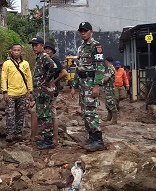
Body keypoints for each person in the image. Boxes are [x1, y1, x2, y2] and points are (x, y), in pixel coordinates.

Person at [70, 21, 106, 152]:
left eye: (85, 30)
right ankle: (91, 136)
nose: (83, 33)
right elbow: (78, 67)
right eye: (81, 31)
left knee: (91, 111)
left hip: (91, 83)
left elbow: (100, 66)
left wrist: (97, 85)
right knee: (85, 111)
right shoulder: (81, 48)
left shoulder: (95, 46)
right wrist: (74, 85)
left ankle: (98, 139)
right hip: (83, 83)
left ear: (91, 31)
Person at [29, 36, 57, 150]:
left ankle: (48, 140)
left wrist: (47, 79)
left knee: (45, 115)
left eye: (36, 45)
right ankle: (46, 138)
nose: (34, 47)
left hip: (44, 91)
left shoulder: (44, 56)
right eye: (33, 45)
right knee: (42, 115)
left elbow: (53, 67)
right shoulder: (39, 57)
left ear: (42, 46)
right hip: (39, 91)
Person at [0, 43, 33, 143]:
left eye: (18, 50)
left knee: (21, 114)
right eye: (15, 50)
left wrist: (30, 91)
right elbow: (3, 78)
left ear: (21, 51)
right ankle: (10, 133)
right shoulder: (7, 63)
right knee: (10, 114)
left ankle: (18, 133)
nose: (17, 52)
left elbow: (29, 77)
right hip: (10, 93)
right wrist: (5, 91)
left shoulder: (25, 64)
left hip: (22, 93)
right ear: (11, 51)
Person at [43, 41, 68, 144]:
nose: (47, 50)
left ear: (53, 51)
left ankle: (55, 138)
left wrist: (54, 81)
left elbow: (64, 73)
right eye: (46, 49)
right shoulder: (48, 60)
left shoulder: (55, 60)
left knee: (52, 114)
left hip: (52, 91)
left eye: (49, 49)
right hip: (48, 90)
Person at [103, 57, 119, 124]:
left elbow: (106, 79)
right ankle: (108, 119)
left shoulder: (110, 69)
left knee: (111, 103)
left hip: (109, 88)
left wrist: (99, 81)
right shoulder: (109, 68)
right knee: (107, 104)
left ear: (107, 61)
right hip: (107, 88)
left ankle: (114, 120)